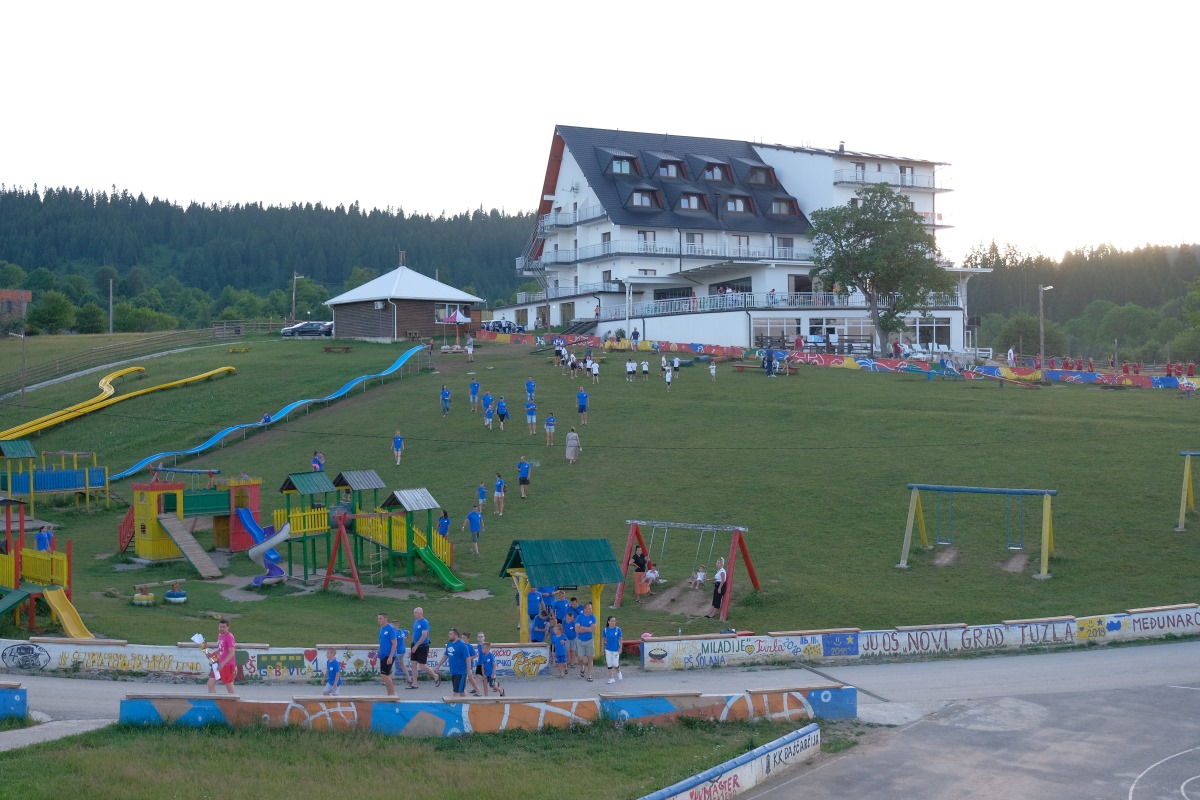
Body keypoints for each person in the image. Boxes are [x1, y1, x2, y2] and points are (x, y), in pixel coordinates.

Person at [434, 628, 470, 698]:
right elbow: (446, 655)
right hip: (453, 671)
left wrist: (468, 671)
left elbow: (467, 658)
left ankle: (454, 704)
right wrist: (438, 666)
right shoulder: (449, 643)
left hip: (461, 672)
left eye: (450, 634)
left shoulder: (462, 645)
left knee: (456, 692)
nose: (449, 635)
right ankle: (467, 703)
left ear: (456, 635)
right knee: (461, 691)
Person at [410, 607, 440, 687]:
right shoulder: (416, 621)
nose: (414, 614)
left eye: (416, 612)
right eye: (414, 612)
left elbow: (424, 635)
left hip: (422, 646)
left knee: (422, 665)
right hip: (415, 644)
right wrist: (413, 643)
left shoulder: (424, 622)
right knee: (413, 664)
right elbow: (414, 632)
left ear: (420, 613)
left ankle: (435, 676)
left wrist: (416, 645)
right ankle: (414, 683)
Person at [206, 618, 237, 695]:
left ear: (228, 627)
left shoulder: (229, 637)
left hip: (227, 665)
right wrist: (212, 654)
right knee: (210, 683)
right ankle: (213, 701)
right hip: (219, 663)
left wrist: (223, 663)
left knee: (229, 686)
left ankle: (234, 700)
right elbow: (221, 649)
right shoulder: (220, 635)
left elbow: (232, 652)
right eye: (220, 627)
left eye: (224, 627)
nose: (221, 629)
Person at [376, 612, 399, 696]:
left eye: (381, 618)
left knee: (384, 675)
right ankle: (389, 693)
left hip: (388, 654)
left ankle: (393, 693)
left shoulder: (390, 629)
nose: (379, 620)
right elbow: (381, 643)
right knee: (387, 675)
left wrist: (390, 656)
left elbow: (394, 643)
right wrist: (376, 654)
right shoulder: (382, 629)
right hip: (383, 654)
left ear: (385, 619)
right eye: (378, 618)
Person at [575, 602, 598, 682]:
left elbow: (592, 629)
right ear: (584, 609)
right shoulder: (579, 617)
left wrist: (583, 627)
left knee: (590, 658)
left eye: (591, 608)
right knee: (580, 658)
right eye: (588, 609)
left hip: (589, 640)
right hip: (580, 640)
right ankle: (582, 668)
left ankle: (589, 675)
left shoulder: (593, 617)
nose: (590, 610)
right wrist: (587, 628)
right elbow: (577, 630)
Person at [391, 618, 413, 689]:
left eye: (392, 626)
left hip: (397, 651)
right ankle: (409, 678)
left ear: (395, 626)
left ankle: (389, 679)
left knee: (390, 663)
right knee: (401, 664)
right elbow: (408, 632)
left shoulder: (394, 633)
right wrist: (406, 638)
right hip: (403, 651)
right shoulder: (402, 631)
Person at [603, 616, 624, 684]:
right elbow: (603, 639)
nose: (613, 622)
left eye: (614, 621)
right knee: (609, 664)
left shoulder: (618, 629)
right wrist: (602, 648)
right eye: (612, 621)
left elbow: (620, 639)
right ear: (608, 622)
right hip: (608, 649)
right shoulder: (605, 630)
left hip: (616, 649)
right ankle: (611, 678)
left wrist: (620, 648)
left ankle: (619, 672)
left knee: (615, 663)